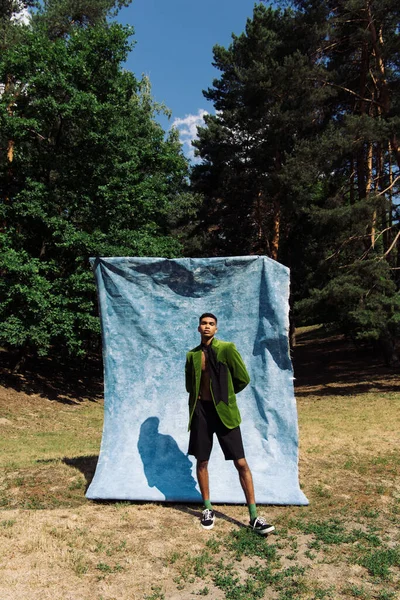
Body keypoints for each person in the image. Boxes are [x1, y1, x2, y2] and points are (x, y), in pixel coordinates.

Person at [185, 313, 275, 535]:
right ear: (198, 328)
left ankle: (254, 517)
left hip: (225, 413)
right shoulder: (192, 355)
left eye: (211, 324)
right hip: (201, 414)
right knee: (202, 461)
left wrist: (225, 395)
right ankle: (207, 509)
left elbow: (243, 378)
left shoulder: (227, 349)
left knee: (241, 463)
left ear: (216, 329)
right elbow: (190, 385)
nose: (207, 327)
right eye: (204, 324)